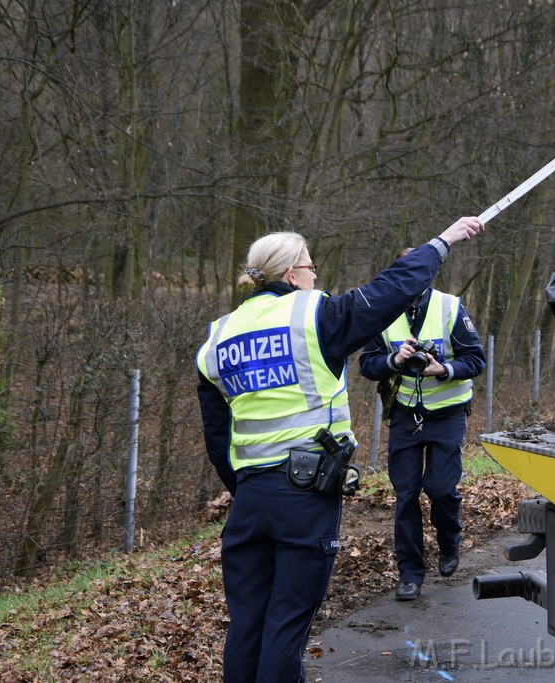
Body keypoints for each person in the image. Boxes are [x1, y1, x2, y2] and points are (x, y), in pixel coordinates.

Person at [195, 217, 483, 683]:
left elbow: (217, 436)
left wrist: (244, 484)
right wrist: (444, 241)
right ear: (292, 274)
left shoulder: (218, 336)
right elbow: (392, 288)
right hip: (304, 496)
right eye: (310, 267)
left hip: (248, 501)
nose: (316, 276)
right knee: (287, 625)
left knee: (246, 625)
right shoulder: (314, 316)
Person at [358, 260, 486, 602]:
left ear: (428, 276)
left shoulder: (449, 307)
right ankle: (411, 574)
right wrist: (394, 361)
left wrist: (443, 368)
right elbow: (367, 366)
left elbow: (476, 359)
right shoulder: (383, 312)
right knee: (406, 496)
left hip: (447, 415)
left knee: (441, 489)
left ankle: (449, 544)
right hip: (404, 416)